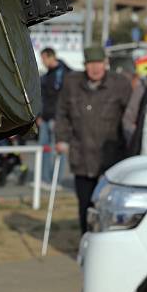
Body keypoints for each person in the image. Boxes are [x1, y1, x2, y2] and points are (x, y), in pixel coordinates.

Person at [55, 46, 131, 235]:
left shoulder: (120, 84)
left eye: (99, 64)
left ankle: (107, 240)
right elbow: (62, 113)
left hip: (112, 157)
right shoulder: (72, 83)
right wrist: (61, 139)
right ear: (85, 65)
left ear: (106, 64)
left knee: (108, 205)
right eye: (90, 64)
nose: (95, 69)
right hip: (82, 156)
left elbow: (130, 116)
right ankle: (85, 239)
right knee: (85, 204)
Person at [38, 47, 70, 187]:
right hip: (45, 118)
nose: (42, 62)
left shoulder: (63, 73)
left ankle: (56, 181)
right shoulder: (47, 75)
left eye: (44, 58)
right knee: (44, 149)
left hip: (57, 118)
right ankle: (44, 179)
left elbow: (61, 97)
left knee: (57, 150)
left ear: (51, 57)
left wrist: (60, 117)